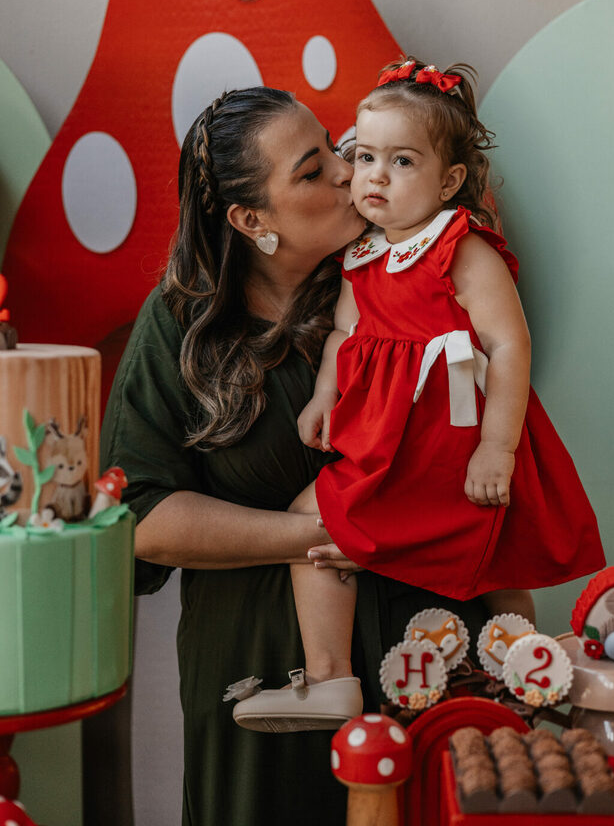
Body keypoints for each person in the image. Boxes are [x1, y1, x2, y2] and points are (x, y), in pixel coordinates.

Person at [100, 85, 492, 826]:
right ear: (252, 220)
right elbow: (143, 518)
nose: (349, 171)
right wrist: (325, 533)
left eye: (339, 148)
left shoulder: (411, 271)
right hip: (261, 688)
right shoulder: (184, 325)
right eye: (313, 171)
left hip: (430, 658)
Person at [232, 60, 605, 732]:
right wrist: (324, 395)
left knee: (496, 546)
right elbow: (345, 333)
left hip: (452, 441)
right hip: (388, 444)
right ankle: (329, 679)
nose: (374, 176)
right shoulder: (363, 255)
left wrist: (497, 447)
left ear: (449, 181)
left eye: (401, 161)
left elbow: (508, 345)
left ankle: (524, 658)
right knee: (312, 522)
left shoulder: (461, 249)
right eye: (364, 156)